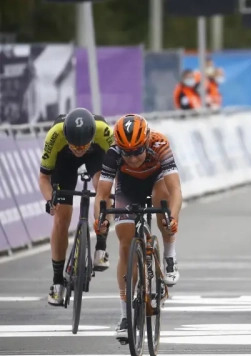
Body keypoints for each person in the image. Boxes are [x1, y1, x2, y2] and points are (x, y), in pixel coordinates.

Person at [93, 114, 183, 341]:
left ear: (146, 142)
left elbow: (176, 191)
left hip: (156, 182)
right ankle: (125, 316)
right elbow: (102, 194)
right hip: (128, 188)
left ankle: (170, 256)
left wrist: (172, 218)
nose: (132, 158)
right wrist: (100, 220)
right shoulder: (113, 154)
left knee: (162, 205)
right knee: (125, 245)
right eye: (127, 153)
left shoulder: (159, 144)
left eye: (137, 151)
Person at [39, 108, 113, 306]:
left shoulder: (104, 131)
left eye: (83, 146)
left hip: (96, 156)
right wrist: (49, 200)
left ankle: (101, 247)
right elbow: (44, 177)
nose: (79, 149)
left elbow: (119, 170)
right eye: (75, 146)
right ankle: (57, 282)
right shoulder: (55, 135)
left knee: (102, 189)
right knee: (61, 218)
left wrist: (110, 195)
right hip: (64, 162)